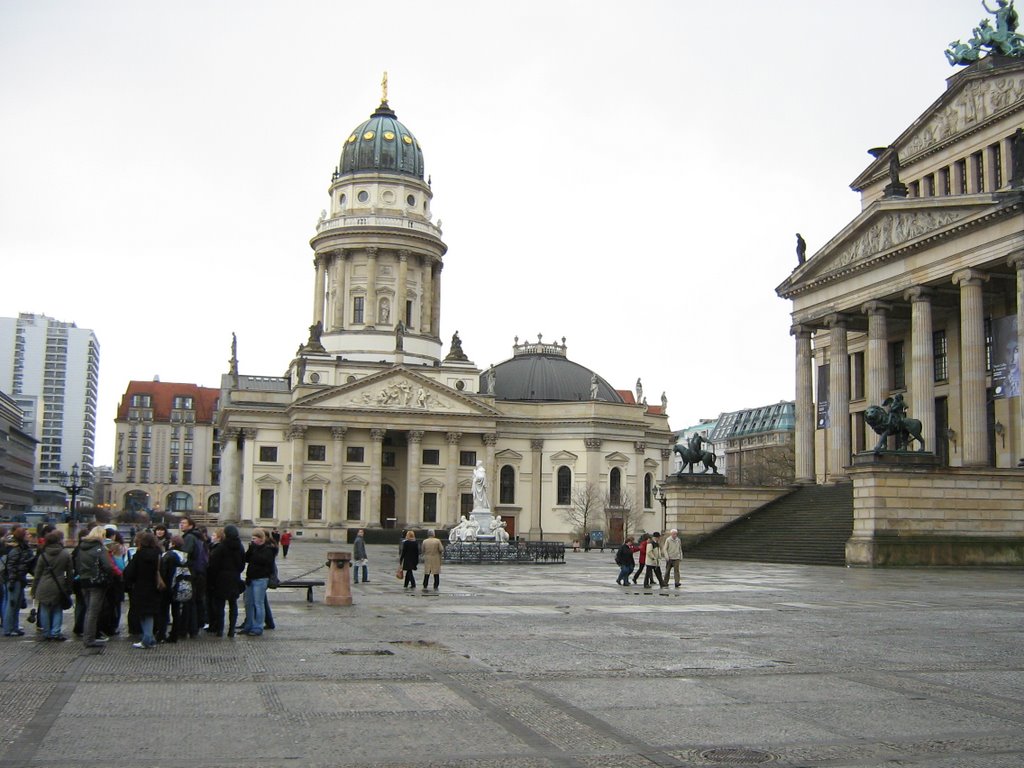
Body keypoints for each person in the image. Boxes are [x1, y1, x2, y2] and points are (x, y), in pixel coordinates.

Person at [76, 526, 119, 648]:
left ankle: (87, 636)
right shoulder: (99, 548)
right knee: (93, 612)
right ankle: (89, 639)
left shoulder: (81, 548)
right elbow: (107, 566)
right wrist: (110, 577)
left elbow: (77, 564)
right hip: (97, 582)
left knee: (88, 610)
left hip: (84, 581)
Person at [122, 532, 162, 649]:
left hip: (141, 587)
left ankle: (147, 639)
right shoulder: (158, 553)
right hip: (155, 586)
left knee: (144, 614)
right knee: (150, 613)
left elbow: (129, 572)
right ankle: (150, 638)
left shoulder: (139, 555)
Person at [31, 530, 73, 641]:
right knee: (57, 610)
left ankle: (46, 632)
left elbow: (37, 574)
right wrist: (69, 587)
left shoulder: (43, 555)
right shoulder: (65, 554)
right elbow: (70, 573)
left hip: (43, 585)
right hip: (59, 585)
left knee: (44, 609)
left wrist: (33, 590)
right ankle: (56, 632)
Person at [207, 525, 245, 637]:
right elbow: (242, 565)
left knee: (220, 605)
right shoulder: (240, 547)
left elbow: (214, 564)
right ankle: (231, 629)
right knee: (233, 604)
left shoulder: (221, 547)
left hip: (221, 578)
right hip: (234, 577)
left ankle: (220, 629)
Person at [240, 528, 276, 636]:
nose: (252, 540)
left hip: (261, 579)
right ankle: (249, 625)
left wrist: (254, 551)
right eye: (252, 538)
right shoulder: (253, 548)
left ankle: (258, 626)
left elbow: (263, 561)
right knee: (248, 603)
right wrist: (250, 549)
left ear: (261, 539)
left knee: (258, 604)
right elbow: (246, 559)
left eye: (254, 538)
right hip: (250, 579)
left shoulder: (268, 550)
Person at [2, 527, 35, 637]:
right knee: (12, 605)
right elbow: (11, 566)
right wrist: (11, 581)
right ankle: (9, 629)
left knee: (15, 605)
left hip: (18, 579)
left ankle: (14, 627)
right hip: (15, 580)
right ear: (22, 536)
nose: (29, 536)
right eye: (27, 534)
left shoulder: (22, 548)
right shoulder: (17, 549)